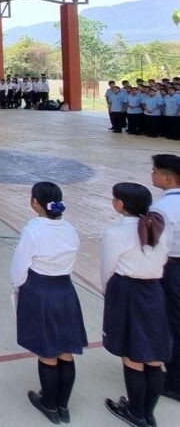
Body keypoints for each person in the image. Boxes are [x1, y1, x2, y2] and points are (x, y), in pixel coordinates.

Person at [10, 182, 87, 424]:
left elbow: (20, 267)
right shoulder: (70, 229)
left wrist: (18, 287)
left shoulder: (33, 230)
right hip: (65, 289)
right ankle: (63, 405)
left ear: (35, 202)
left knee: (47, 351)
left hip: (39, 289)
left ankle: (49, 405)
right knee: (65, 350)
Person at [101, 183, 172, 427]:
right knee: (153, 357)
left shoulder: (115, 233)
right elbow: (163, 260)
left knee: (132, 355)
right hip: (153, 291)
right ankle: (148, 414)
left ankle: (134, 412)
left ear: (120, 204)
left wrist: (109, 293)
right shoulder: (160, 228)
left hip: (127, 291)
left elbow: (108, 270)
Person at [149, 154, 180, 404]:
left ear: (167, 178)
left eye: (155, 171)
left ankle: (175, 382)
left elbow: (153, 244)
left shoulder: (161, 208)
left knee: (172, 323)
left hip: (171, 268)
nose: (152, 175)